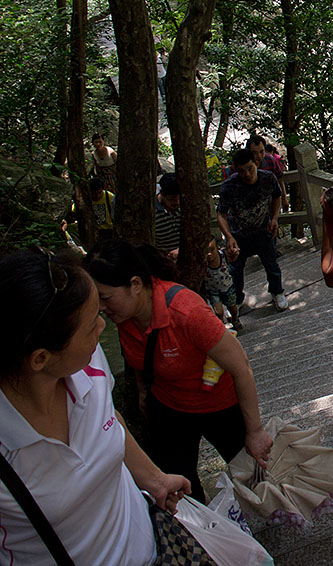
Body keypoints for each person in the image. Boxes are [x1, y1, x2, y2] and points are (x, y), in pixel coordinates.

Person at [0, 247, 190, 565]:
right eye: (91, 327)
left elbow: (106, 418)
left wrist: (154, 479)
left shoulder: (88, 365)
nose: (102, 329)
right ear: (41, 358)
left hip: (154, 549)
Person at [86, 239, 273, 503]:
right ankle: (203, 524)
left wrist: (255, 431)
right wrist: (142, 392)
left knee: (253, 472)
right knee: (178, 483)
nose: (102, 309)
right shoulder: (124, 318)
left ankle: (269, 509)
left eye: (105, 298)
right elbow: (139, 357)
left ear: (136, 285)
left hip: (217, 405)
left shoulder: (186, 311)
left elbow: (240, 366)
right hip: (170, 407)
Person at [217, 147, 288, 311]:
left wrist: (275, 218)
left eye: (250, 168)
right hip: (238, 235)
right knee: (235, 271)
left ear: (256, 163)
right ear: (236, 170)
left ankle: (277, 292)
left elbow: (276, 196)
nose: (247, 174)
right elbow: (221, 214)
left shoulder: (267, 178)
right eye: (242, 171)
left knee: (271, 265)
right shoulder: (229, 186)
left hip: (263, 231)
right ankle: (237, 299)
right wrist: (228, 236)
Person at [204, 237, 242, 331]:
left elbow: (233, 258)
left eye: (212, 250)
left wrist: (235, 253)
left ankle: (235, 319)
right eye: (205, 251)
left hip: (227, 287)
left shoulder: (223, 255)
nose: (209, 254)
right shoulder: (203, 263)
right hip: (212, 290)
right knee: (218, 312)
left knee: (233, 308)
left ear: (217, 248)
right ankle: (221, 327)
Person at [248, 135, 289, 213]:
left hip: (270, 200)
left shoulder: (270, 160)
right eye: (254, 153)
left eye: (261, 151)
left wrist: (284, 199)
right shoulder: (244, 164)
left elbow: (279, 179)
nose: (259, 156)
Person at [153, 172, 182, 258]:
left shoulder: (184, 206)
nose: (177, 203)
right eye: (172, 199)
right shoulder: (152, 213)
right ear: (162, 193)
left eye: (178, 199)